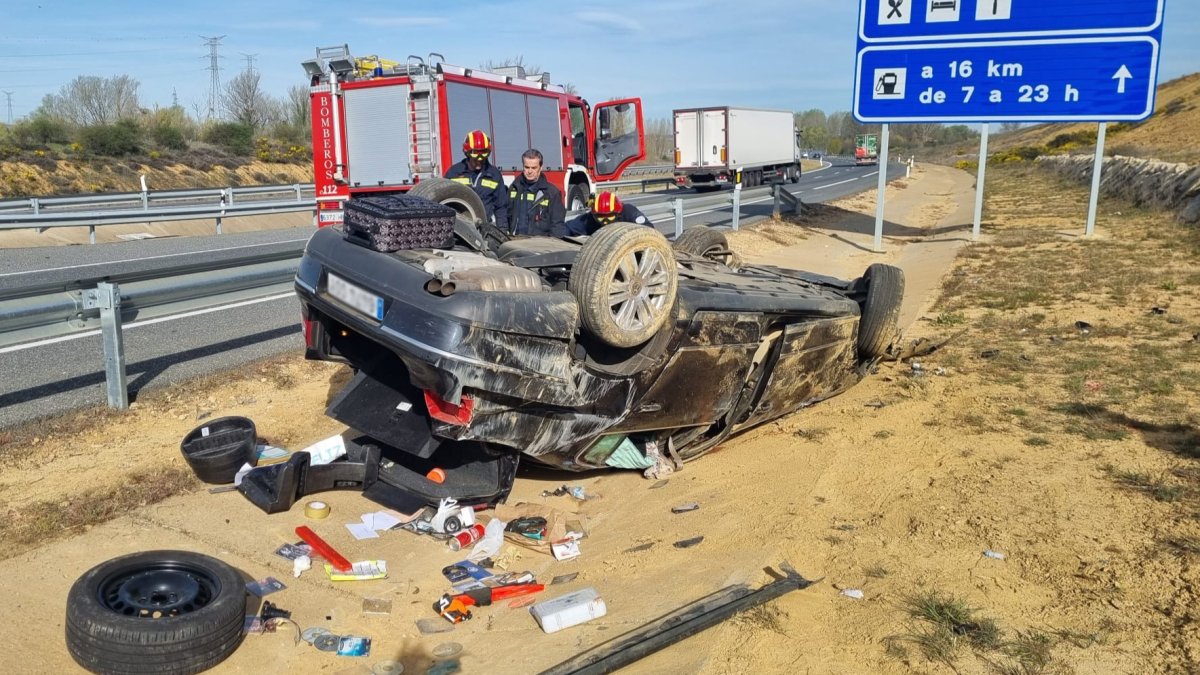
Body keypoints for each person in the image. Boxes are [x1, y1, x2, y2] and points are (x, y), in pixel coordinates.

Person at [444, 130, 509, 226]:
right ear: (467, 153)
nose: (479, 159)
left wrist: (503, 229)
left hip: (484, 227)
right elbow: (444, 202)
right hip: (460, 228)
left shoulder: (494, 174)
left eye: (483, 154)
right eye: (475, 154)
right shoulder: (454, 173)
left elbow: (501, 207)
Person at [508, 149, 566, 237]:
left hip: (538, 245)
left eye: (534, 168)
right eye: (527, 167)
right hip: (515, 242)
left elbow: (557, 226)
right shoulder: (514, 189)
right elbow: (506, 215)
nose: (530, 171)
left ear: (540, 168)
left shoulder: (551, 193)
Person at [565, 190, 653, 236]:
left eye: (610, 215)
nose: (605, 221)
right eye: (600, 216)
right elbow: (567, 228)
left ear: (618, 213)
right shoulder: (589, 219)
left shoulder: (629, 212)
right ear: (594, 214)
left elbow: (649, 228)